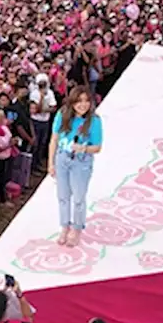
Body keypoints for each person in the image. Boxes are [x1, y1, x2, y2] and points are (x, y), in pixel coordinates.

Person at [49, 85, 103, 248]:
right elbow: (54, 139)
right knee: (63, 196)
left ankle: (77, 228)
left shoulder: (94, 120)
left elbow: (98, 147)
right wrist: (50, 163)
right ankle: (64, 226)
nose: (83, 105)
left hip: (81, 161)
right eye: (79, 101)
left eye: (86, 101)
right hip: (62, 159)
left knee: (79, 197)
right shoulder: (62, 115)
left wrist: (84, 148)